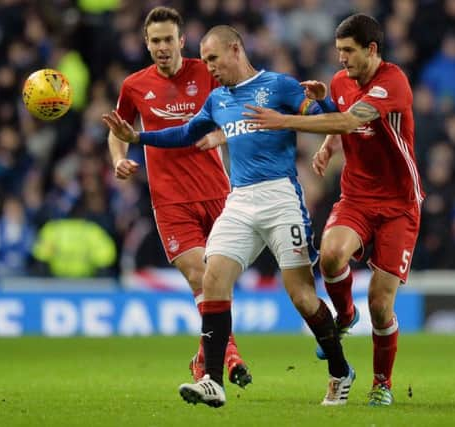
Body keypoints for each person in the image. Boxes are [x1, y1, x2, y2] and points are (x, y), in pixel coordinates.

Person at [103, 25, 354, 408]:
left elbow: (331, 121)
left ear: (236, 50)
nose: (209, 68)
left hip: (281, 197)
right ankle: (212, 380)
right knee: (214, 277)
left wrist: (324, 104)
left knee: (302, 296)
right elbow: (186, 133)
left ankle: (339, 370)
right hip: (239, 200)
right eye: (204, 62)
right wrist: (137, 140)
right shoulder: (218, 99)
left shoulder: (280, 86)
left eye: (213, 59)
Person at [243, 13, 423, 406]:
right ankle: (344, 317)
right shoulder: (341, 82)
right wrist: (328, 141)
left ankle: (382, 384)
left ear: (371, 50)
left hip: (399, 206)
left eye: (348, 51)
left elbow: (348, 119)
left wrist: (284, 122)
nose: (340, 58)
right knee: (329, 257)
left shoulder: (393, 83)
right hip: (357, 197)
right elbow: (342, 118)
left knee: (380, 303)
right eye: (338, 50)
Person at [103, 7, 250, 387]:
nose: (162, 47)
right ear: (146, 43)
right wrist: (119, 158)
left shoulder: (207, 73)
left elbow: (242, 113)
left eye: (169, 39)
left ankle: (203, 358)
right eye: (155, 41)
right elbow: (119, 130)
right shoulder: (135, 86)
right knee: (200, 276)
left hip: (218, 193)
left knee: (220, 282)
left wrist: (222, 135)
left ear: (182, 41)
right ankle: (228, 355)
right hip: (170, 200)